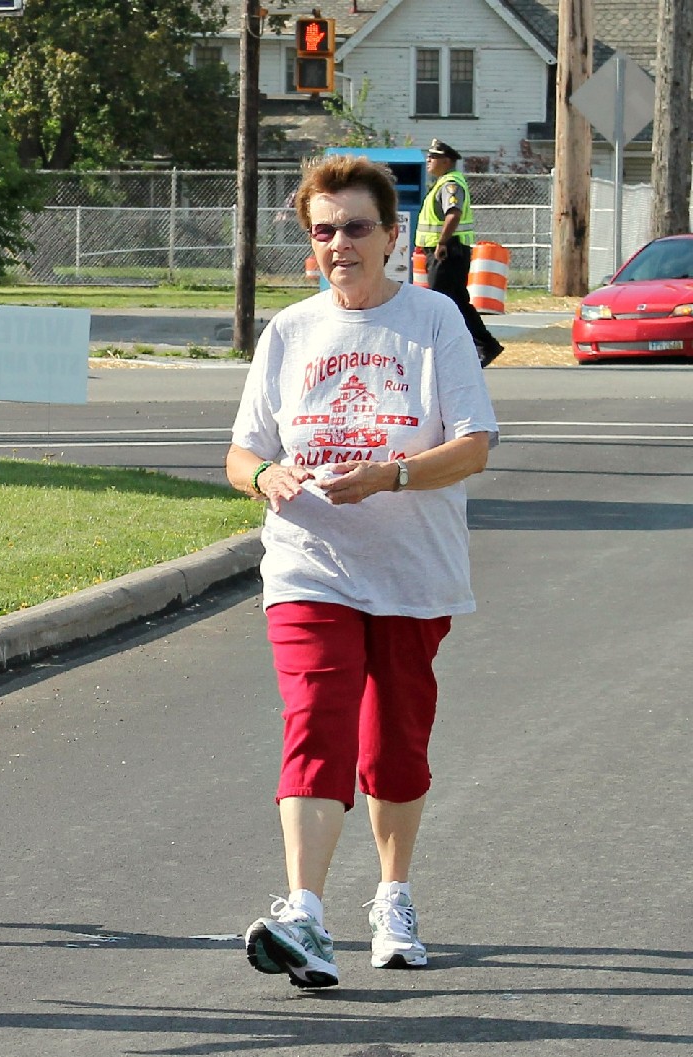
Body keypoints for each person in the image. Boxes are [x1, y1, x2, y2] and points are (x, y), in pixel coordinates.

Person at [226, 154, 498, 988]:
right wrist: (264, 476)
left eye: (354, 227)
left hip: (413, 569)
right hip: (309, 563)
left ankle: (393, 895)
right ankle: (306, 914)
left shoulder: (434, 320)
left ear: (390, 234)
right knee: (316, 718)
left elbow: (474, 447)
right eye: (323, 230)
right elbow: (241, 453)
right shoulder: (290, 331)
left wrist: (392, 475)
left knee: (395, 740)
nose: (338, 243)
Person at [416, 138, 504, 366]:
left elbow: (453, 214)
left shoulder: (450, 184)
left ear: (446, 161)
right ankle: (483, 345)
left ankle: (476, 346)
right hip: (446, 250)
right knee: (454, 302)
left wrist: (442, 243)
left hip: (447, 251)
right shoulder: (443, 183)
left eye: (434, 157)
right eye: (429, 156)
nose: (428, 160)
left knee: (441, 303)